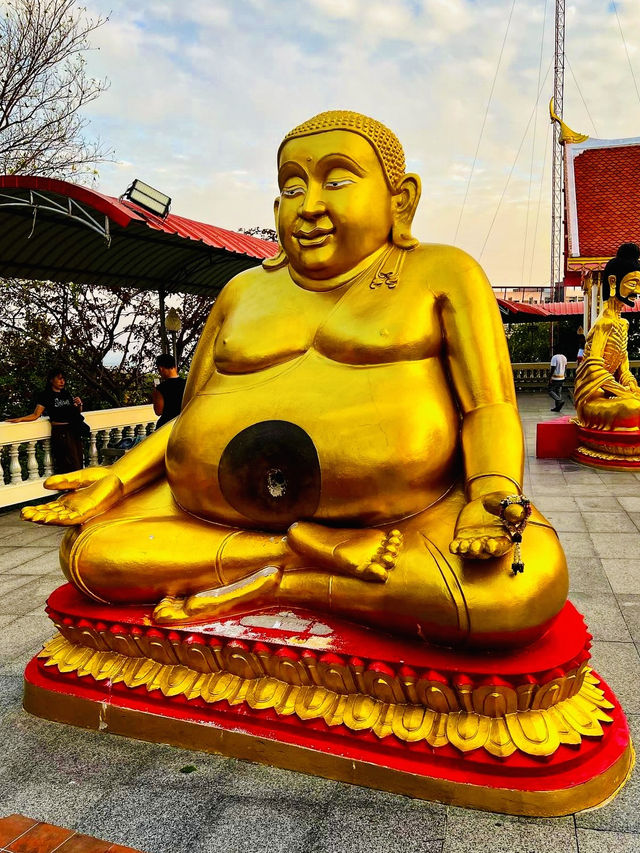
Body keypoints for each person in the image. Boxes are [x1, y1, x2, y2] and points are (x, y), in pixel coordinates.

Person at [21, 110, 567, 650]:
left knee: (514, 589)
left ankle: (288, 583)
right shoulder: (242, 291)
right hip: (215, 517)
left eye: (336, 179)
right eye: (291, 186)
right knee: (91, 554)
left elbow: (488, 405)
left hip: (404, 518)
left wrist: (490, 489)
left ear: (400, 200)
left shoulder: (443, 273)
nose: (309, 206)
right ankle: (292, 554)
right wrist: (115, 481)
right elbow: (195, 417)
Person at [574, 243, 640, 429]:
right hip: (592, 397)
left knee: (635, 402)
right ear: (613, 282)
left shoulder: (623, 324)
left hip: (611, 394)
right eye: (633, 283)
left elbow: (623, 369)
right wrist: (621, 391)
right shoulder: (604, 323)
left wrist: (630, 385)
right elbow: (594, 367)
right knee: (632, 408)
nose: (638, 290)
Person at [8, 368, 84, 474]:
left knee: (78, 459)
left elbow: (76, 412)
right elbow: (36, 415)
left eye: (63, 379)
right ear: (51, 380)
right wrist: (21, 419)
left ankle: (77, 487)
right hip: (60, 431)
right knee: (67, 461)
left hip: (73, 429)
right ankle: (68, 488)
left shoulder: (66, 394)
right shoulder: (46, 395)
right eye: (59, 379)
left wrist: (80, 404)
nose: (62, 382)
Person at [152, 354, 186, 429]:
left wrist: (155, 395)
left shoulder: (161, 388)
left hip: (167, 425)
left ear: (161, 368)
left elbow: (158, 411)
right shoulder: (187, 384)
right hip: (183, 423)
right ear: (175, 367)